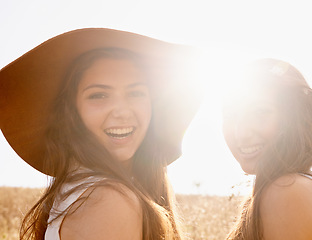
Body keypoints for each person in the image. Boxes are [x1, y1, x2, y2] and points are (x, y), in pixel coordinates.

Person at [0, 28, 202, 240]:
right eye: (99, 95)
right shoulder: (109, 200)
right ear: (71, 111)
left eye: (135, 93)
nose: (122, 111)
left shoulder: (78, 192)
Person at [222, 58, 312, 240]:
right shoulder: (302, 186)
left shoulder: (287, 191)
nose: (241, 133)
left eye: (260, 113)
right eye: (231, 116)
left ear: (293, 117)